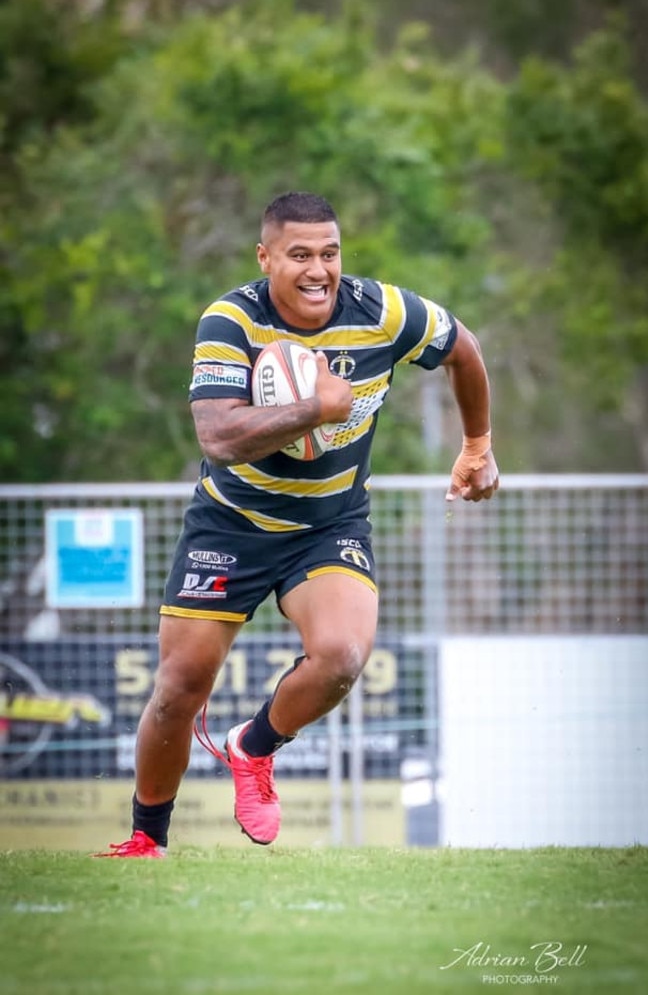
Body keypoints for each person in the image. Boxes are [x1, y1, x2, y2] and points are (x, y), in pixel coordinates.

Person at [97, 191, 499, 857]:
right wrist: (314, 408)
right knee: (179, 685)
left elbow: (465, 348)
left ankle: (252, 748)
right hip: (232, 523)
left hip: (329, 521)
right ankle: (147, 839)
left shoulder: (383, 312)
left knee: (342, 654)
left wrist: (477, 446)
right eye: (300, 255)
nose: (319, 270)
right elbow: (219, 435)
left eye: (330, 253)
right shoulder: (232, 320)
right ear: (266, 258)